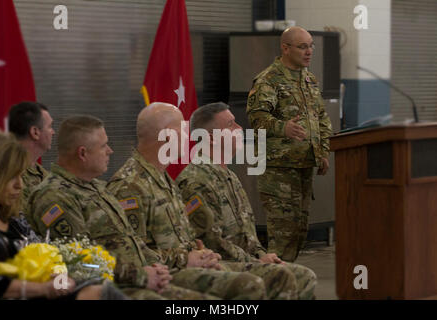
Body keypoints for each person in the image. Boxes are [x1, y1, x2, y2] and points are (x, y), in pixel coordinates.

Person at [27, 115, 263, 300]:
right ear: (82, 153)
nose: (110, 151)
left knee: (249, 286)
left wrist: (160, 266)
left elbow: (133, 243)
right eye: (104, 146)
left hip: (144, 275)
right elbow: (79, 264)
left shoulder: (97, 188)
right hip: (112, 288)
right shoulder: (54, 197)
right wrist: (146, 273)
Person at [107, 102, 300, 300]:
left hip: (186, 265)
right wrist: (188, 258)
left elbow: (186, 237)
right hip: (164, 274)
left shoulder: (163, 179)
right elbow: (132, 253)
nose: (189, 137)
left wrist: (202, 253)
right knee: (252, 284)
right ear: (167, 135)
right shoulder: (130, 186)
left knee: (283, 277)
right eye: (183, 129)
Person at [176, 102, 317, 299]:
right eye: (231, 125)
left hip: (246, 261)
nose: (240, 129)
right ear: (210, 138)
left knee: (305, 276)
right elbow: (213, 242)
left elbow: (247, 232)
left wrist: (261, 255)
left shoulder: (229, 176)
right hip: (221, 264)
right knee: (287, 277)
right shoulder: (196, 181)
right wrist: (257, 261)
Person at [0, 134, 127, 300]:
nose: (20, 185)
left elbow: (47, 256)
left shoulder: (16, 223)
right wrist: (44, 288)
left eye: (20, 176)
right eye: (12, 177)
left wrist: (59, 276)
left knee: (102, 290)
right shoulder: (53, 194)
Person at [246, 26, 333, 262]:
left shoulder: (308, 79)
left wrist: (322, 151)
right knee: (283, 237)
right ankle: (272, 287)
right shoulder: (269, 80)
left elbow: (322, 118)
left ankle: (286, 286)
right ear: (285, 48)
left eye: (311, 46)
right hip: (279, 172)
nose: (309, 52)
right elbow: (257, 118)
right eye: (303, 46)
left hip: (304, 167)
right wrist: (282, 127)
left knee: (298, 233)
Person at [8, 102, 54, 207]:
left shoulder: (44, 174)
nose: (53, 132)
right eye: (50, 126)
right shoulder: (7, 175)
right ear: (35, 132)